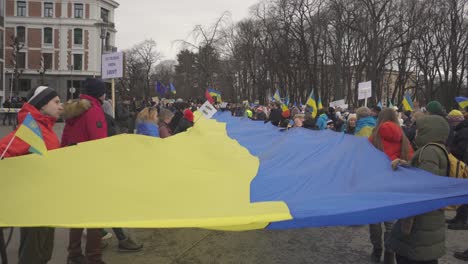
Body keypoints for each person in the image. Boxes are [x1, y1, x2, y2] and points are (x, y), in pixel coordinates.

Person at [0, 86, 63, 264]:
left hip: (46, 201)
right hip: (34, 204)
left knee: (43, 253)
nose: (61, 106)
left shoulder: (46, 127)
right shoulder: (31, 130)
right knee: (33, 256)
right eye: (56, 102)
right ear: (42, 105)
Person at [388, 115, 449, 264]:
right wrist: (406, 165)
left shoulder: (429, 151)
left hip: (420, 220)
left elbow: (424, 184)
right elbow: (424, 173)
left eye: (419, 130)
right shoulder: (436, 150)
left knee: (413, 256)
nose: (416, 133)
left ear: (429, 132)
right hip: (427, 216)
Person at [61, 78, 108, 264]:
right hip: (90, 170)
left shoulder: (74, 110)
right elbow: (99, 144)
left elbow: (64, 140)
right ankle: (94, 257)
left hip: (75, 168)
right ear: (99, 93)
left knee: (78, 213)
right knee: (95, 215)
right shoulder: (94, 111)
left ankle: (73, 254)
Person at [368, 108, 414, 264]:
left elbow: (364, 160)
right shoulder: (404, 139)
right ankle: (389, 252)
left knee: (374, 220)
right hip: (395, 185)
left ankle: (376, 250)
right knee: (391, 221)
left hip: (375, 184)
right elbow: (410, 161)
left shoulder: (374, 138)